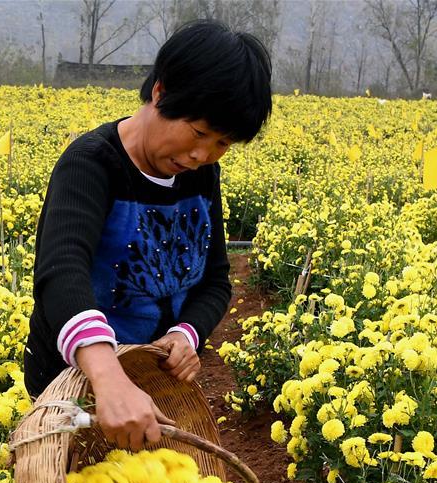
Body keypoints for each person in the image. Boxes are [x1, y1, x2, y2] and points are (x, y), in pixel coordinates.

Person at [24, 20, 272, 450]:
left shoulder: (200, 174)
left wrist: (186, 333)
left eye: (222, 144)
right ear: (161, 93)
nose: (202, 155)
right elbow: (61, 272)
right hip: (74, 388)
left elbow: (214, 280)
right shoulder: (92, 164)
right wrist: (107, 375)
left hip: (153, 388)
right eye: (198, 133)